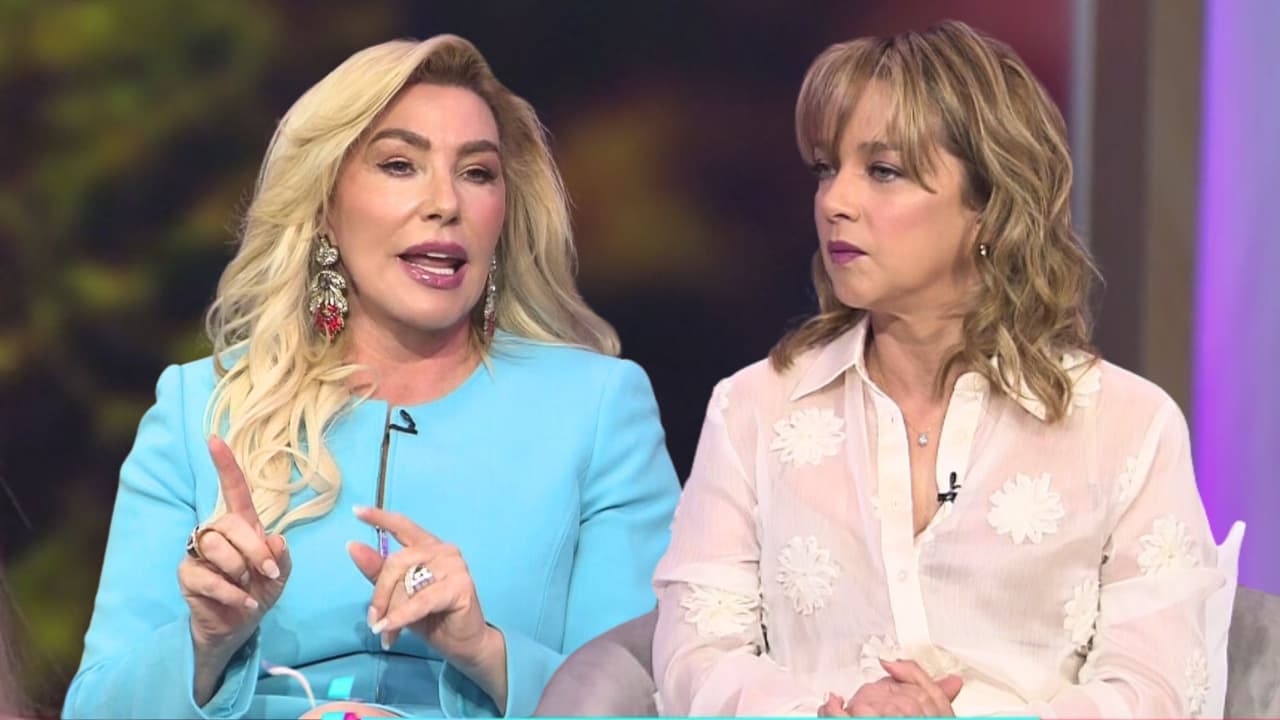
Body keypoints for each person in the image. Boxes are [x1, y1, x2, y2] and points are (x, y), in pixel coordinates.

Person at [63, 34, 679, 719]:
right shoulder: (199, 408)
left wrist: (485, 650)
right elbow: (96, 709)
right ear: (326, 205)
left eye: (477, 173)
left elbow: (656, 697)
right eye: (399, 165)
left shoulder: (596, 408)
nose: (445, 202)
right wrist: (206, 644)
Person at [652, 20, 1222, 718]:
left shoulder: (1127, 426)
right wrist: (831, 716)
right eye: (827, 168)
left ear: (989, 205)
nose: (834, 201)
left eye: (883, 171)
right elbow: (694, 658)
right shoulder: (752, 409)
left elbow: (1158, 687)